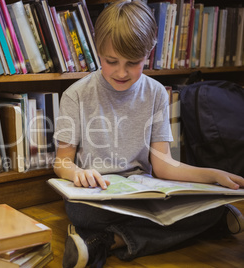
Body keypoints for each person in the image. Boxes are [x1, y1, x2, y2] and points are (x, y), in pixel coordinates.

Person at [52, 1, 244, 267]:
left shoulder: (155, 93)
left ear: (148, 54)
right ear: (98, 53)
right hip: (96, 198)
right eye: (111, 61)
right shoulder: (76, 95)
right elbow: (62, 161)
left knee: (206, 205)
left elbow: (163, 165)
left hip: (142, 194)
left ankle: (105, 242)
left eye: (133, 63)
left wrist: (211, 176)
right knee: (82, 213)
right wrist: (77, 174)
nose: (121, 72)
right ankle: (189, 227)